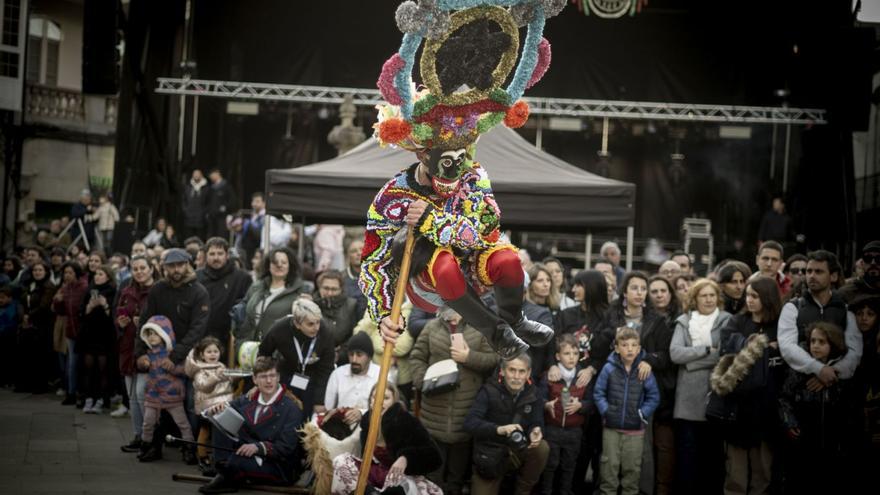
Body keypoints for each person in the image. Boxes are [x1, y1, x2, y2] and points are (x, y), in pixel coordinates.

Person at [410, 306, 498, 495]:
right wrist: (423, 381)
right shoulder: (431, 327)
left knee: (456, 480)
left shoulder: (480, 327)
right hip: (434, 412)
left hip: (465, 414)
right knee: (432, 478)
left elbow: (493, 360)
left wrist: (469, 357)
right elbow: (417, 356)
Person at [715, 277, 783, 495]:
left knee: (762, 473)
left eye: (755, 296)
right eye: (748, 295)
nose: (750, 300)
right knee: (735, 474)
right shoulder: (738, 321)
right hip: (738, 408)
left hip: (767, 409)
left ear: (768, 297)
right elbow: (726, 345)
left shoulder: (781, 325)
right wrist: (757, 345)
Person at [200, 356, 303, 493]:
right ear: (254, 380)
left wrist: (258, 447)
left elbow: (286, 447)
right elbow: (226, 409)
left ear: (278, 377)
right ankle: (225, 469)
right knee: (221, 418)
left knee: (238, 460)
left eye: (272, 375)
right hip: (246, 454)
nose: (268, 381)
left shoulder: (292, 408)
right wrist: (215, 410)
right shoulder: (247, 399)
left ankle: (227, 473)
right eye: (263, 376)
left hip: (277, 465)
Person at [669, 278, 732, 495]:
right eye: (703, 295)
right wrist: (707, 350)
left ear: (718, 298)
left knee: (713, 457)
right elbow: (675, 353)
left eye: (712, 295)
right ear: (694, 299)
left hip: (715, 397)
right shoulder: (684, 321)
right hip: (686, 401)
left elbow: (725, 354)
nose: (708, 299)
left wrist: (691, 361)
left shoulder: (727, 321)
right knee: (687, 457)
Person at [551, 269, 610, 492]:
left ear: (592, 288)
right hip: (564, 384)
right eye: (574, 285)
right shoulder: (566, 316)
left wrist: (593, 367)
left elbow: (612, 350)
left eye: (579, 285)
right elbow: (552, 345)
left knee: (589, 443)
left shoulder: (608, 316)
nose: (574, 289)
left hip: (593, 386)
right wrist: (551, 367)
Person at [331, 383, 443, 495]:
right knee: (341, 461)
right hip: (376, 474)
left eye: (385, 398)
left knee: (396, 488)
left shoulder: (405, 420)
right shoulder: (367, 422)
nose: (379, 401)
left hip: (400, 478)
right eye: (375, 397)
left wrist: (406, 458)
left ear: (394, 401)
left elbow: (435, 456)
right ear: (370, 401)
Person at [777, 321, 850, 494]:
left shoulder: (841, 372)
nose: (815, 346)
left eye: (821, 342)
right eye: (813, 341)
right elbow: (783, 398)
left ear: (833, 344)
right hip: (804, 438)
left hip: (832, 442)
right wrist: (790, 422)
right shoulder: (798, 370)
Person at [463, 354, 550, 495]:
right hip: (491, 453)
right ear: (502, 371)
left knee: (542, 447)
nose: (516, 376)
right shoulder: (488, 391)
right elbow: (469, 423)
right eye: (512, 370)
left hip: (518, 449)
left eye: (521, 371)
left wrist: (536, 430)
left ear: (528, 373)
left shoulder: (534, 393)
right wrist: (498, 429)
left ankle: (523, 490)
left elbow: (537, 420)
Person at [777, 250, 862, 390]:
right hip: (800, 390)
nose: (811, 276)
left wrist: (832, 373)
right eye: (808, 271)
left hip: (838, 390)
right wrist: (818, 369)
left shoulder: (846, 310)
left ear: (833, 276)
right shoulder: (793, 307)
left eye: (818, 271)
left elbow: (855, 351)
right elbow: (787, 347)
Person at [594, 327, 660, 495]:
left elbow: (653, 397)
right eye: (624, 345)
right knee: (609, 470)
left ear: (639, 349)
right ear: (617, 348)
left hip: (635, 431)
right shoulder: (609, 369)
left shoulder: (644, 370)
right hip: (611, 429)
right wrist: (606, 411)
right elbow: (598, 392)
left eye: (633, 345)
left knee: (632, 472)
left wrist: (642, 414)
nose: (629, 349)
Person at [258, 298, 334, 416]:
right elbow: (263, 354)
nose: (316, 328)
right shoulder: (279, 328)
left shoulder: (325, 332)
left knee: (305, 417)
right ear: (297, 323)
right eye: (310, 324)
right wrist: (263, 383)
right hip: (286, 374)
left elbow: (326, 369)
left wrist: (319, 400)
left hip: (312, 378)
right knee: (282, 414)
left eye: (318, 322)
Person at [136, 315, 196, 463]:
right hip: (153, 396)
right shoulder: (148, 355)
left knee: (182, 423)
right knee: (148, 422)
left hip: (172, 396)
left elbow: (186, 370)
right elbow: (140, 365)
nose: (151, 337)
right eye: (149, 334)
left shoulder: (173, 355)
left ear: (165, 335)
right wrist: (142, 363)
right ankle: (146, 446)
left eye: (155, 333)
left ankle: (189, 448)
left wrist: (173, 368)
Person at [540, 334, 591, 495]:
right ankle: (546, 491)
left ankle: (565, 491)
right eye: (567, 353)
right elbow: (538, 398)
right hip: (552, 429)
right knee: (550, 465)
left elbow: (592, 403)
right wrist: (546, 405)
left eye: (575, 354)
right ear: (557, 356)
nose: (571, 358)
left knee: (569, 466)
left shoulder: (583, 377)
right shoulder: (549, 376)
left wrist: (581, 405)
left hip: (574, 431)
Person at [116, 255, 154, 449]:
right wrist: (120, 324)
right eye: (135, 269)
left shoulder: (158, 291)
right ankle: (138, 436)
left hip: (149, 350)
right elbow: (118, 314)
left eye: (142, 268)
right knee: (132, 397)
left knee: (142, 394)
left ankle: (149, 437)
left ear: (151, 269)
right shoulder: (126, 291)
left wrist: (148, 326)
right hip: (128, 348)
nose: (139, 272)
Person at [236, 247, 307, 350]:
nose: (279, 265)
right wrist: (240, 342)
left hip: (279, 351)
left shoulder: (299, 290)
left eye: (283, 262)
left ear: (290, 266)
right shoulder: (256, 287)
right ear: (268, 265)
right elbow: (243, 313)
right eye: (275, 262)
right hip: (249, 348)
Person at [197, 237, 251, 361]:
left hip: (231, 338)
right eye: (212, 254)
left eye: (220, 253)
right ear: (206, 256)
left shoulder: (242, 278)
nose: (216, 257)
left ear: (227, 255)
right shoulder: (196, 278)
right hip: (202, 337)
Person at [185, 336, 234, 472]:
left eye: (215, 351)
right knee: (205, 431)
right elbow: (203, 386)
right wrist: (216, 377)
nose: (213, 354)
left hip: (222, 405)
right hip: (207, 407)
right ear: (202, 354)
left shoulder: (221, 366)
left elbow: (226, 386)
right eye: (209, 351)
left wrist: (231, 376)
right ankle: (202, 456)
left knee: (221, 432)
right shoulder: (200, 370)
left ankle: (220, 456)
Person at [79, 264, 117, 414]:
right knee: (88, 368)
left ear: (108, 276)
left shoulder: (112, 291)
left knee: (103, 369)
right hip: (89, 334)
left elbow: (114, 316)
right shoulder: (89, 290)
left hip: (104, 336)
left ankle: (102, 399)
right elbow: (82, 313)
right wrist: (88, 308)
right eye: (96, 274)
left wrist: (105, 305)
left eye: (101, 274)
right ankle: (89, 398)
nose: (97, 276)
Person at [15, 258, 56, 394]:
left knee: (39, 356)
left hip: (41, 325)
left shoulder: (49, 286)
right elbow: (21, 301)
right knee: (25, 355)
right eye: (35, 270)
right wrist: (23, 316)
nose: (37, 272)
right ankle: (25, 384)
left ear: (46, 272)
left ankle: (39, 385)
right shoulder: (29, 284)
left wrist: (29, 316)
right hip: (26, 324)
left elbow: (44, 306)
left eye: (40, 270)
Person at [323, 332, 380, 423]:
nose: (354, 359)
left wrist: (362, 413)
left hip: (370, 424)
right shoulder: (338, 374)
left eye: (359, 355)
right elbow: (328, 408)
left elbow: (385, 408)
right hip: (341, 427)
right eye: (351, 354)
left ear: (369, 357)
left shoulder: (381, 375)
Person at [52, 262, 89, 405]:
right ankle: (71, 393)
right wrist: (58, 301)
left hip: (83, 331)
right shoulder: (65, 289)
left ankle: (83, 393)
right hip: (70, 331)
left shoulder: (84, 287)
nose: (67, 276)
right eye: (65, 273)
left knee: (83, 364)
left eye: (70, 273)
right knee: (71, 364)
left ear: (77, 273)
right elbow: (61, 311)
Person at [314, 270, 359, 359]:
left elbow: (354, 334)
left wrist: (340, 353)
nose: (329, 293)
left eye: (334, 289)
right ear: (319, 288)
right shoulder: (312, 305)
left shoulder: (351, 306)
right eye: (326, 288)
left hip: (342, 358)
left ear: (341, 289)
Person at [839, 240, 880, 304]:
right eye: (867, 258)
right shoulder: (845, 294)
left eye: (879, 258)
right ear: (862, 263)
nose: (873, 263)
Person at [342, 238, 368, 321]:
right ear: (347, 256)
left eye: (362, 249)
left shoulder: (379, 275)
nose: (359, 253)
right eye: (353, 251)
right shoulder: (341, 278)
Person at [206, 169, 235, 239]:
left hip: (222, 216)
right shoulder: (211, 187)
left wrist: (225, 207)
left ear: (217, 174)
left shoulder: (226, 186)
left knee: (221, 234)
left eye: (212, 175)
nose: (211, 177)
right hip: (212, 215)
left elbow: (232, 200)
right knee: (212, 234)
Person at [183, 169, 210, 241]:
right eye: (194, 174)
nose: (196, 175)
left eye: (198, 174)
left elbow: (209, 202)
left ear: (201, 175)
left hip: (201, 218)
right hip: (189, 217)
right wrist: (186, 210)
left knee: (200, 238)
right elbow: (184, 200)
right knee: (189, 237)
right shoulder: (188, 187)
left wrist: (204, 213)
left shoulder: (206, 188)